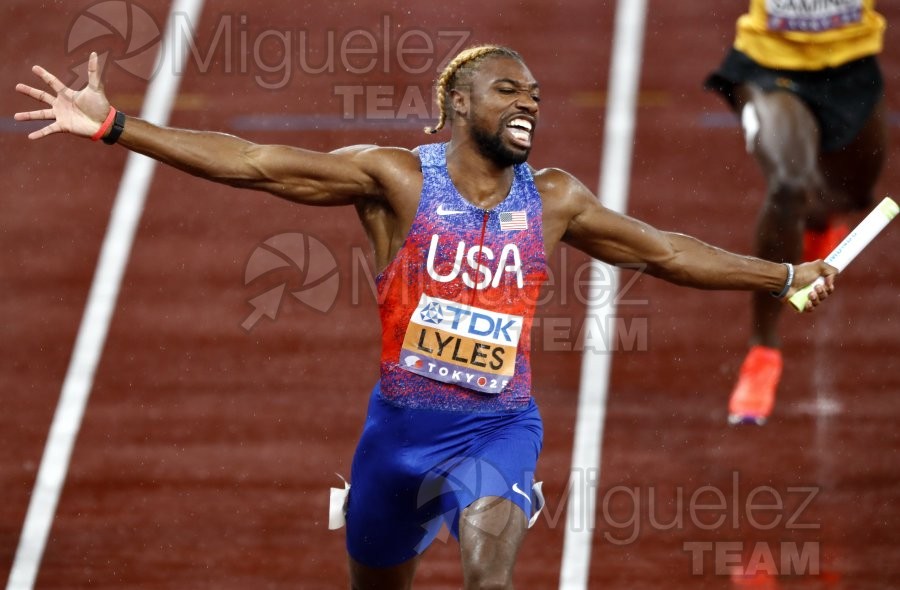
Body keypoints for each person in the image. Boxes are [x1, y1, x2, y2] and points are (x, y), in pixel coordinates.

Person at [16, 44, 835, 589]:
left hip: (497, 429)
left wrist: (785, 273)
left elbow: (663, 252)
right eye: (508, 89)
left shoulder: (554, 199)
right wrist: (117, 126)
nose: (530, 103)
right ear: (456, 102)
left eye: (537, 95)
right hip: (396, 439)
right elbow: (258, 164)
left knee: (490, 573)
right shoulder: (398, 180)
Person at [705, 0, 887, 425]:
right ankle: (763, 349)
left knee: (850, 195)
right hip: (769, 64)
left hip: (852, 65)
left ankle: (820, 222)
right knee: (789, 185)